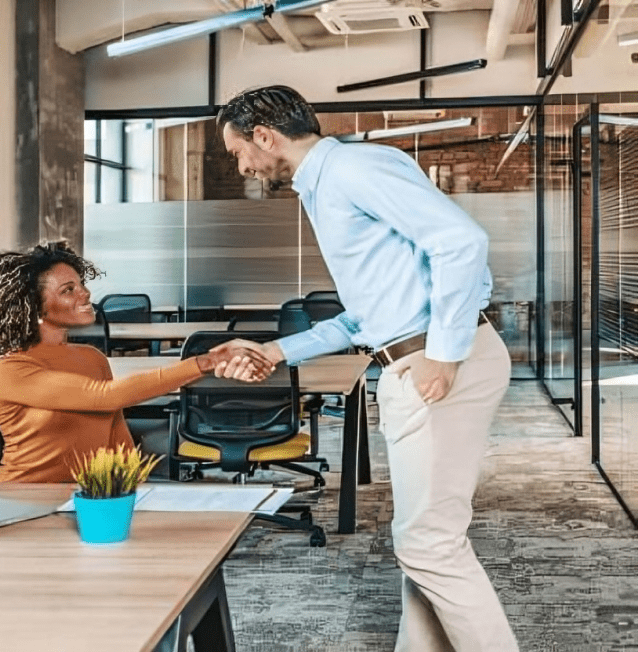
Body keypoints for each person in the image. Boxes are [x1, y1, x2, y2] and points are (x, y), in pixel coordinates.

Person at [216, 86, 518, 651]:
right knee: (426, 542)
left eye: (239, 152)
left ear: (264, 135)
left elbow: (460, 241)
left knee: (429, 544)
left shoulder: (351, 169)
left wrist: (446, 355)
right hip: (413, 356)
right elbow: (367, 315)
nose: (243, 166)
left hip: (432, 361)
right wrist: (280, 351)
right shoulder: (325, 185)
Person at [0, 240, 272, 484]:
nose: (85, 294)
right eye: (69, 290)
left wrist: (136, 488)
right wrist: (204, 362)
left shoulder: (91, 357)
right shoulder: (5, 370)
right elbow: (104, 396)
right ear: (33, 308)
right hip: (24, 498)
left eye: (81, 284)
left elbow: (115, 436)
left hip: (92, 494)